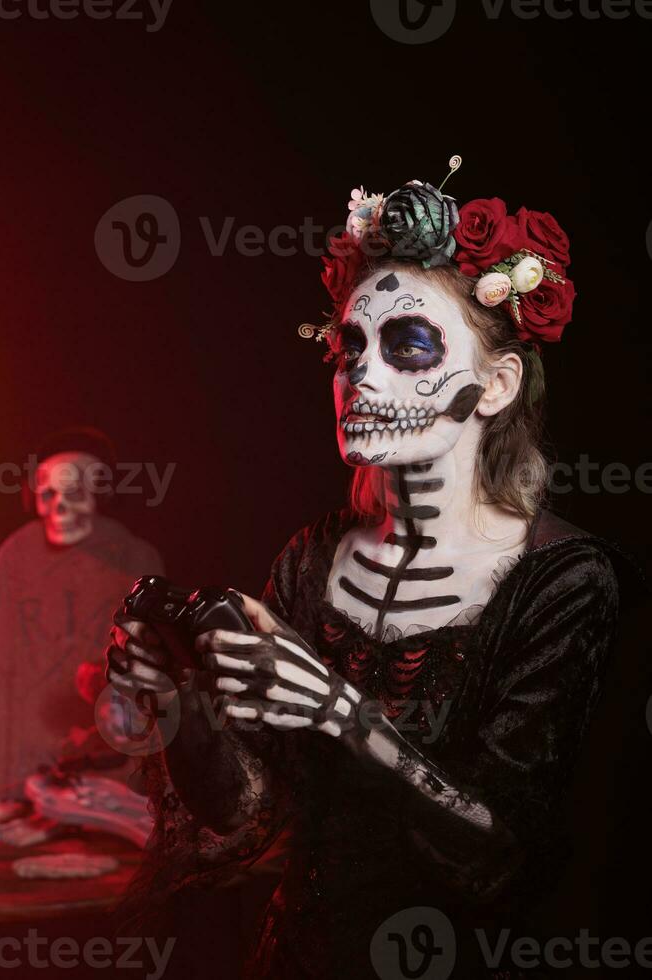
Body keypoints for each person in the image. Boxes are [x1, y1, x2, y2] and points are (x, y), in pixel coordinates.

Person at [106, 170, 643, 978]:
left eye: (409, 345)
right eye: (350, 346)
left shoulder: (568, 582)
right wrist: (178, 698)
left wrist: (341, 712)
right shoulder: (314, 555)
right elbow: (249, 819)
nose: (361, 372)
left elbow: (508, 861)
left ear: (494, 387)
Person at [0, 426, 163, 799]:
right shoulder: (14, 557)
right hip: (26, 754)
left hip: (105, 761)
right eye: (47, 494)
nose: (58, 506)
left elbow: (148, 671)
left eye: (74, 494)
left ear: (100, 495)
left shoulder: (135, 559)